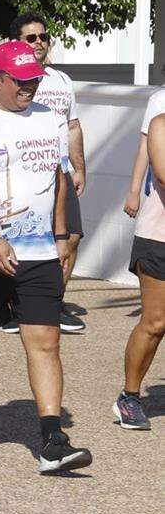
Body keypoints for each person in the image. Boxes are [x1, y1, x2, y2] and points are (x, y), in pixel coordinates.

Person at [0, 40, 89, 473]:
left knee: (46, 342)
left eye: (34, 81)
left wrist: (61, 234)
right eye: (21, 82)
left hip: (40, 252)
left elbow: (58, 180)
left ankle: (52, 440)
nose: (29, 89)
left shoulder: (49, 119)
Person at [9, 12, 85, 334]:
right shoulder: (1, 77)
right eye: (31, 37)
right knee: (19, 239)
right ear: (17, 41)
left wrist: (79, 166)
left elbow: (73, 125)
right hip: (23, 172)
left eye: (43, 37)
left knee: (72, 235)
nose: (39, 42)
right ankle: (13, 306)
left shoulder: (61, 80)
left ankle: (53, 303)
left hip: (60, 171)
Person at [119, 105, 165, 430]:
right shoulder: (161, 125)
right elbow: (163, 174)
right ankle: (129, 396)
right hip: (158, 237)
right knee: (155, 322)